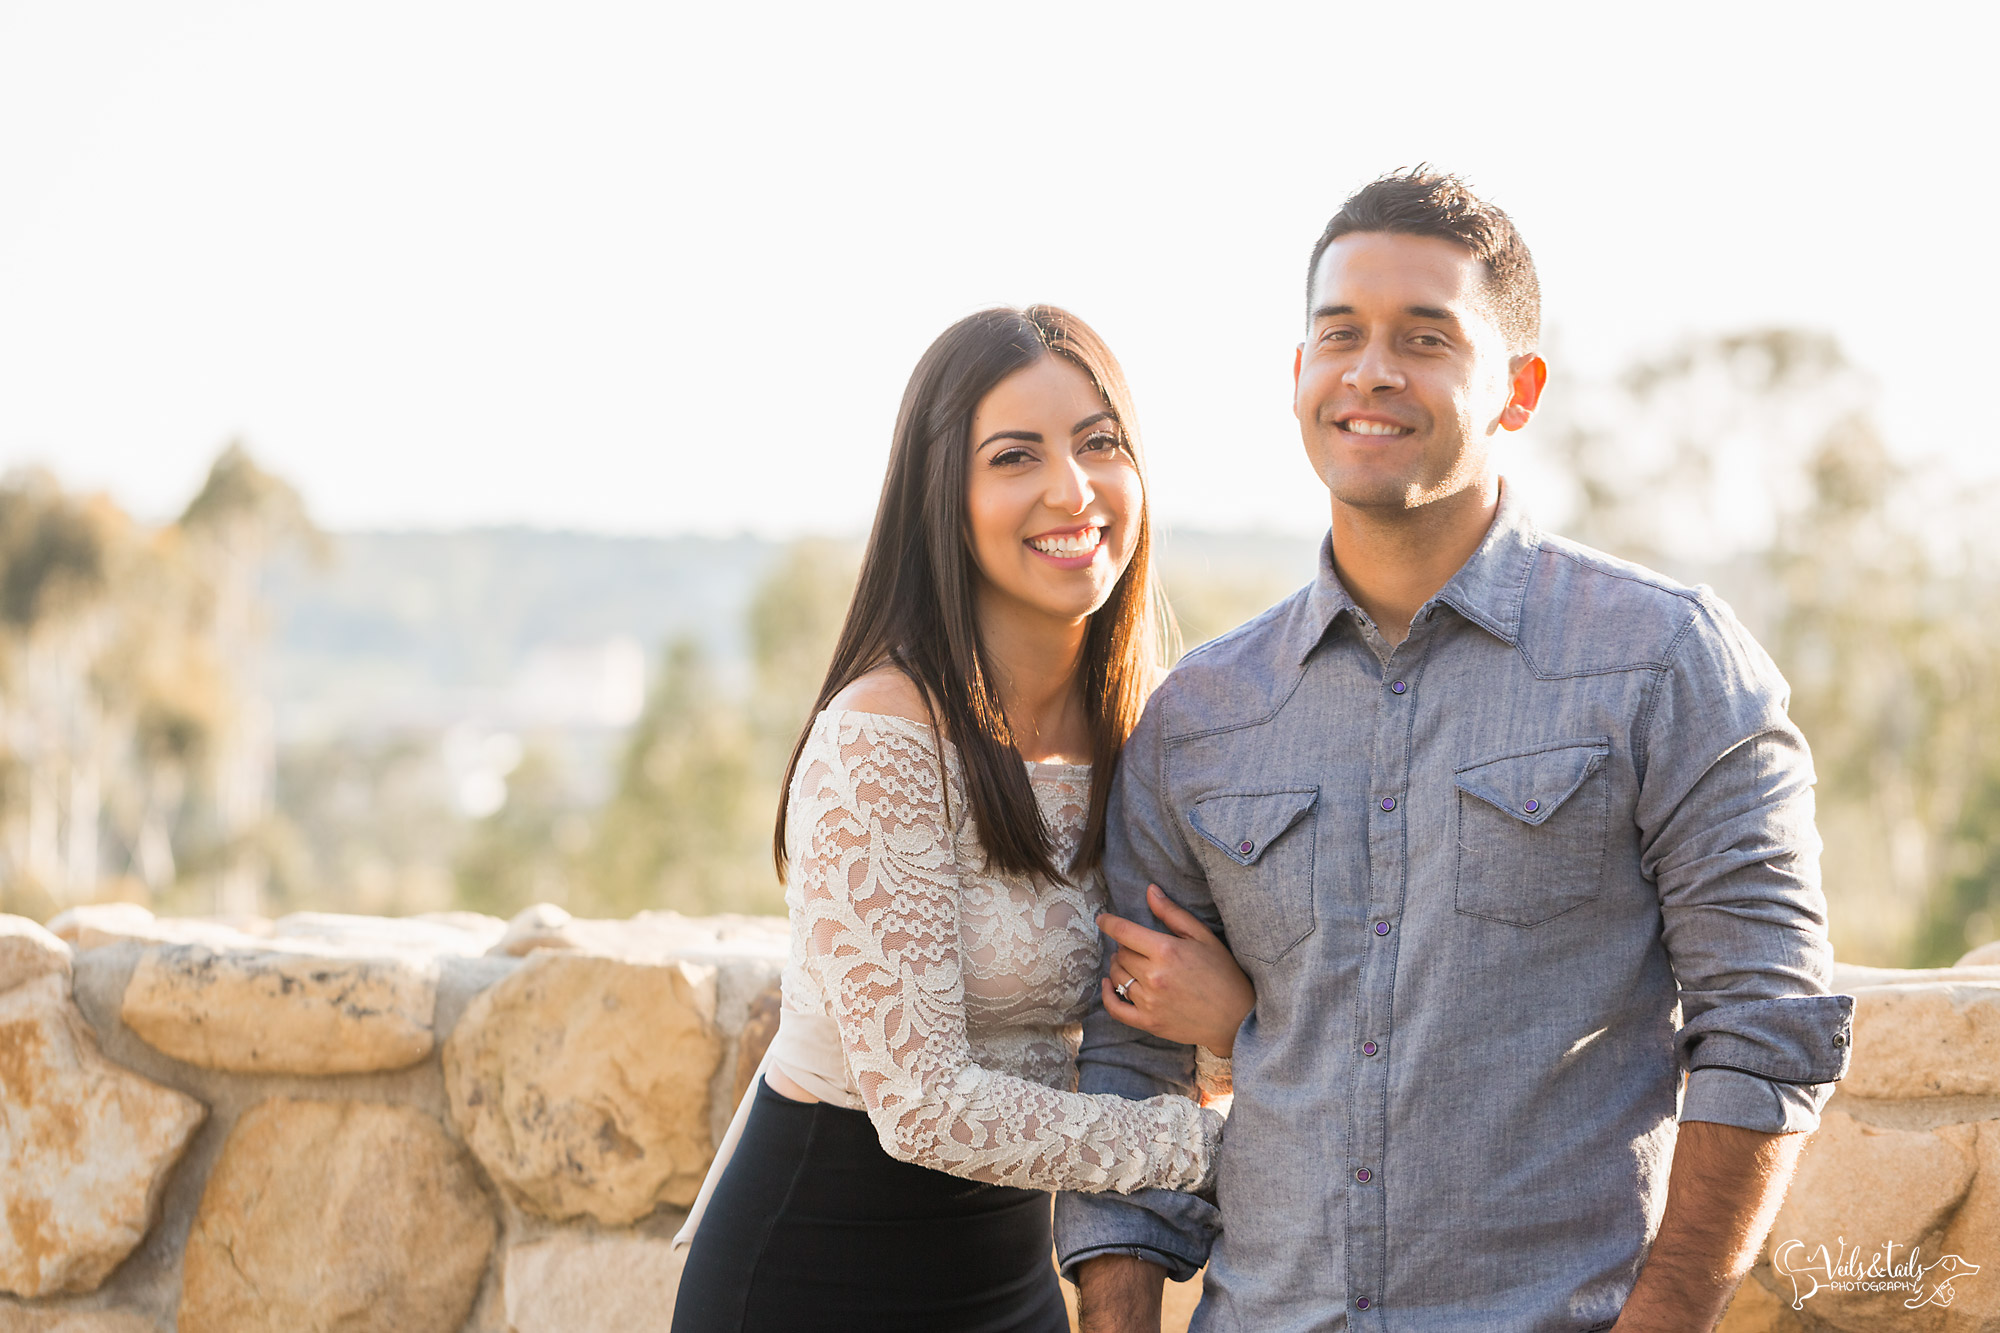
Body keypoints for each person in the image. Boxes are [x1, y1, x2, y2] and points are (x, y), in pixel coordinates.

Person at [1057, 170, 1855, 1332]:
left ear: (1515, 390)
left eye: (1424, 338)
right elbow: (1129, 1063)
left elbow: (1765, 1022)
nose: (1370, 370)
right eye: (1340, 334)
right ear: (1297, 377)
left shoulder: (1663, 661)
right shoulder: (1202, 715)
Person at [670, 305, 1255, 1333]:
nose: (1069, 489)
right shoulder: (883, 735)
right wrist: (1209, 1151)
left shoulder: (1153, 730)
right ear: (945, 494)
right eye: (1014, 456)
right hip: (815, 1275)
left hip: (1004, 1281)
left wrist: (1227, 1028)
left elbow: (1175, 1024)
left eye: (1097, 443)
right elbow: (924, 1104)